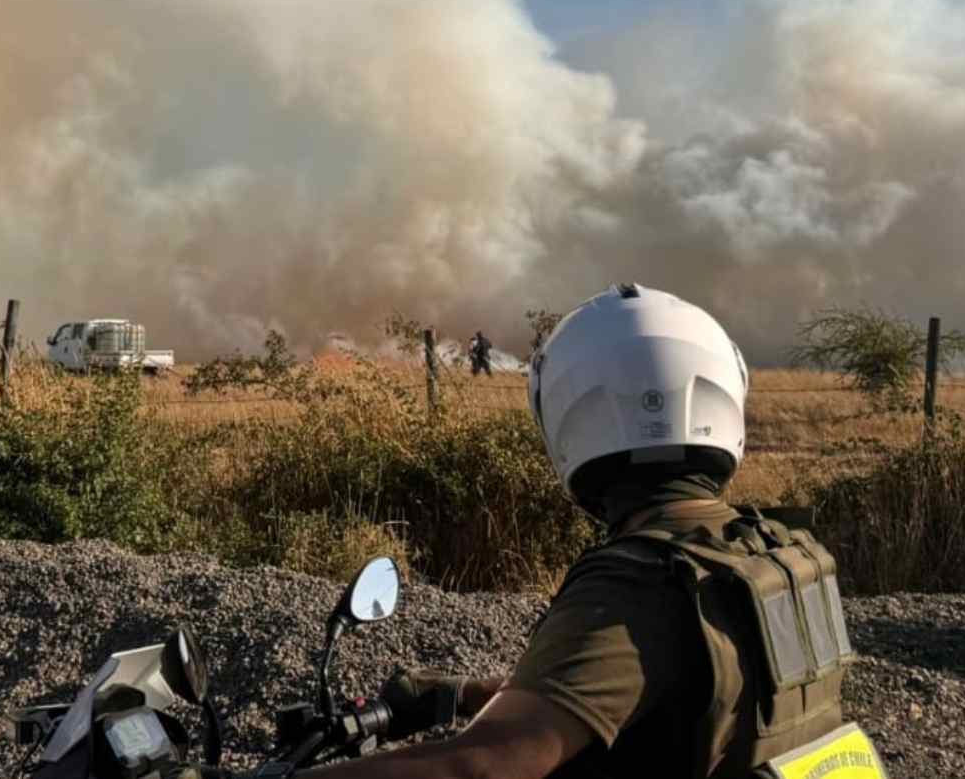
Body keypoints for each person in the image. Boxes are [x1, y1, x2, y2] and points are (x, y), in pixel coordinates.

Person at [288, 283, 875, 779]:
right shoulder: (773, 556)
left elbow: (488, 763)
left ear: (569, 416)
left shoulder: (642, 580)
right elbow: (662, 688)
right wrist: (463, 692)